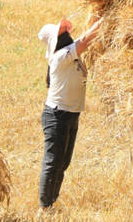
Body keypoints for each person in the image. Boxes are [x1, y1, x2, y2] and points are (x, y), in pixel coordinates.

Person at [37, 17, 103, 209]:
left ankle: (51, 202)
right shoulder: (60, 57)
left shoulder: (71, 55)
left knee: (63, 163)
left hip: (72, 114)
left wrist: (95, 20)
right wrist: (104, 20)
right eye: (62, 34)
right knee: (53, 163)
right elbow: (85, 40)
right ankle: (44, 207)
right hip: (57, 116)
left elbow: (84, 38)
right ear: (56, 42)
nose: (67, 34)